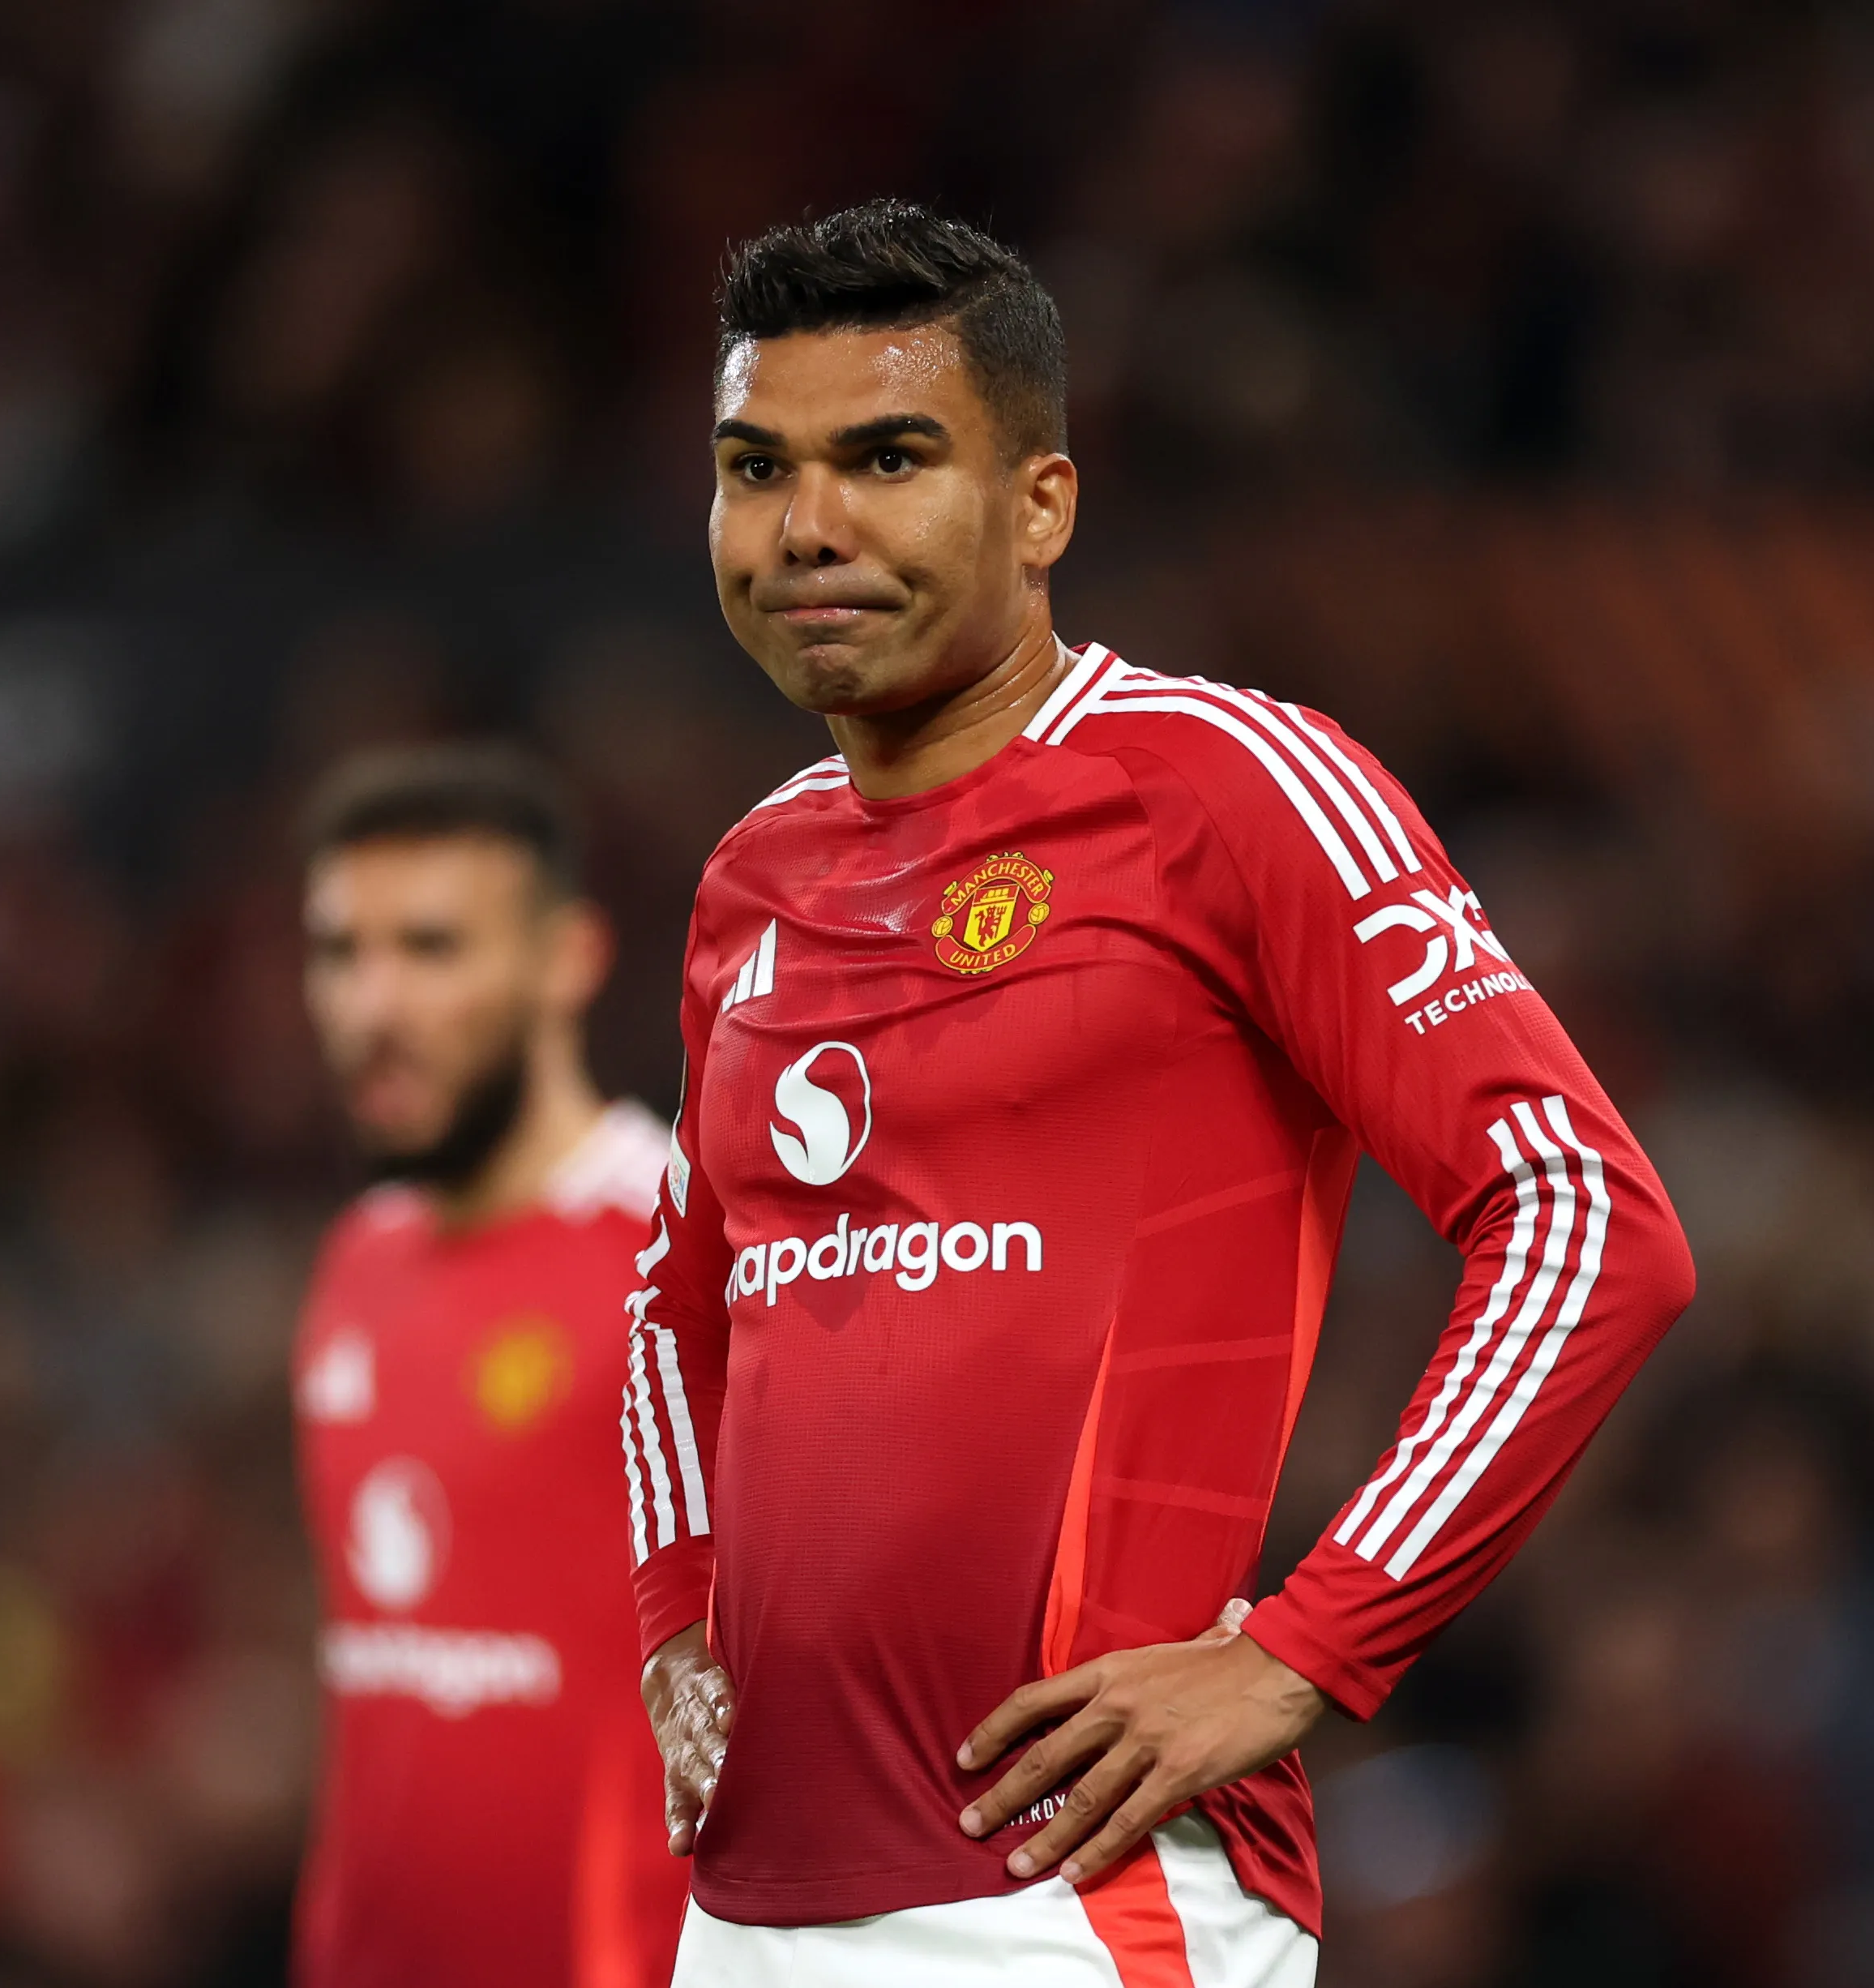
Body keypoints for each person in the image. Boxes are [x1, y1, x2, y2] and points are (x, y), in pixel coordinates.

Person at [625, 200, 1696, 1985]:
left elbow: (1589, 1224)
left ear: (1040, 503)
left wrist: (1302, 1646)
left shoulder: (1223, 787)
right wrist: (674, 1622)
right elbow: (678, 1299)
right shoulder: (752, 872)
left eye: (885, 458)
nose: (805, 527)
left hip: (1069, 1904)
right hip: (741, 1908)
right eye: (757, 469)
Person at [292, 743, 686, 1987]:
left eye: (431, 949)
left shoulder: (691, 1254)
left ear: (567, 957)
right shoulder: (357, 1259)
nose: (374, 1007)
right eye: (341, 955)